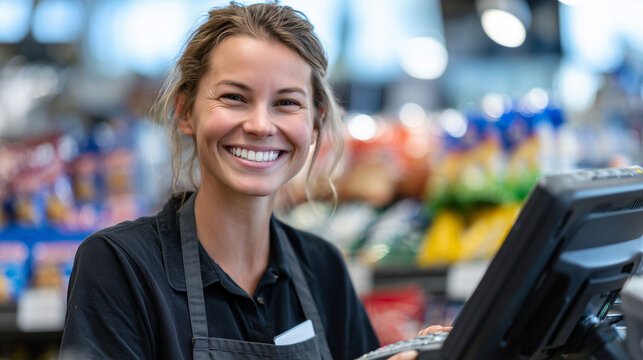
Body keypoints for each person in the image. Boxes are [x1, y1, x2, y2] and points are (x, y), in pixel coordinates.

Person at [60, 2, 448, 359]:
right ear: (185, 111)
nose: (261, 125)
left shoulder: (322, 267)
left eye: (286, 103)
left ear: (314, 124)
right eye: (233, 97)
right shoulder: (120, 264)